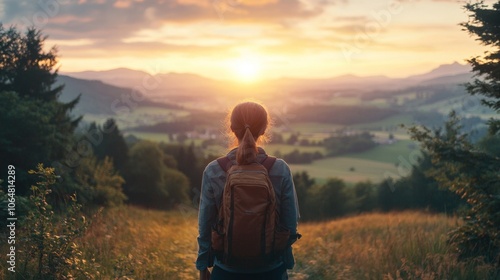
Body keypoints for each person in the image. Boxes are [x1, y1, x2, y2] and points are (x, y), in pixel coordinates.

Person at [196, 101, 300, 280]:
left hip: (226, 270)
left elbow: (205, 225)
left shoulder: (213, 170)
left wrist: (203, 266)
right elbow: (290, 224)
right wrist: (286, 262)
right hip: (271, 270)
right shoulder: (281, 169)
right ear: (264, 130)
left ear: (231, 128)